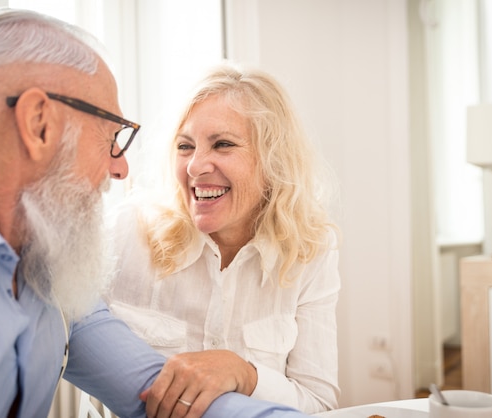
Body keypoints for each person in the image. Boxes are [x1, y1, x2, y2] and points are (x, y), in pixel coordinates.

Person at [0, 8, 315, 418]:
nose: (120, 168)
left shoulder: (56, 283)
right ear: (39, 123)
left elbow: (159, 392)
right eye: (111, 136)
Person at [106, 63, 342, 415]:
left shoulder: (310, 250)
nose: (195, 166)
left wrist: (245, 375)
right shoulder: (126, 233)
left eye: (223, 144)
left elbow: (320, 406)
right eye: (185, 146)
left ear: (273, 160)